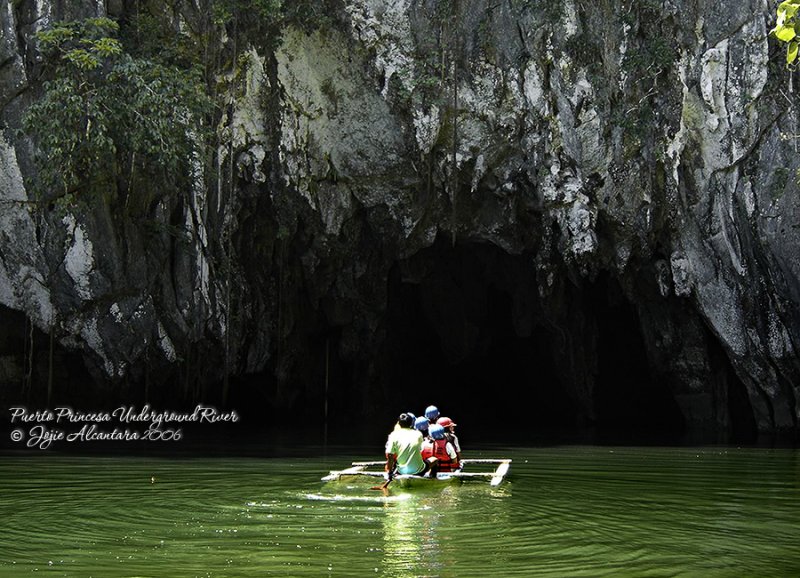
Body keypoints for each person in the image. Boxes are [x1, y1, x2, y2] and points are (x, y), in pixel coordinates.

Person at [385, 413, 428, 479]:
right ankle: (433, 478)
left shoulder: (393, 435)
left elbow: (390, 455)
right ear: (411, 424)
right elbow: (421, 449)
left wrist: (389, 472)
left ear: (399, 423)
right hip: (418, 471)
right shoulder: (418, 434)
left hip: (401, 471)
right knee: (434, 460)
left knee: (393, 459)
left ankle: (391, 476)